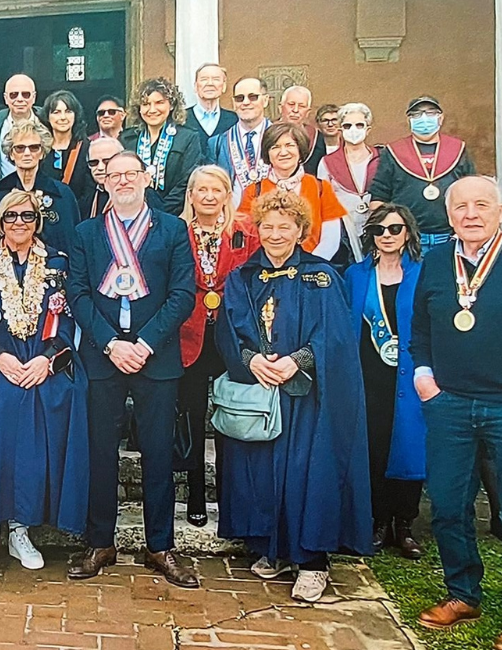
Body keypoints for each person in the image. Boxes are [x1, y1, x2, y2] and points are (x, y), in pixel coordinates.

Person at [216, 188, 372, 603]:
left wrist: (298, 360)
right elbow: (228, 329)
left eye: (285, 227)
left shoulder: (322, 277)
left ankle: (312, 562)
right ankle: (274, 548)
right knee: (263, 469)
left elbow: (337, 335)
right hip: (261, 391)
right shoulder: (243, 277)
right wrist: (250, 360)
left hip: (307, 397)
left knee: (307, 472)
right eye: (267, 226)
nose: (275, 234)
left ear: (302, 230)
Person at [65, 152, 198, 587]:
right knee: (100, 451)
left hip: (153, 356)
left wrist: (142, 343)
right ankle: (100, 541)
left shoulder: (173, 229)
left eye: (131, 173)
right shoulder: (86, 233)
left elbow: (183, 295)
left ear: (145, 178)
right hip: (103, 357)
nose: (122, 180)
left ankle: (160, 546)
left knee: (158, 453)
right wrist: (109, 343)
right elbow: (78, 295)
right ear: (103, 182)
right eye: (114, 174)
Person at [0, 189, 89, 576]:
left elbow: (71, 319)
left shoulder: (58, 264)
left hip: (42, 366)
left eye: (27, 216)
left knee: (40, 422)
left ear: (37, 222)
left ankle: (21, 529)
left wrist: (46, 360)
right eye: (11, 217)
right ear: (0, 222)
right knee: (2, 412)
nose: (19, 223)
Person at [411, 176, 502, 642]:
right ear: (449, 216)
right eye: (461, 206)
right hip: (448, 404)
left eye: (481, 204)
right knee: (448, 505)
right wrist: (424, 376)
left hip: (500, 404)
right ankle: (463, 594)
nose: (471, 213)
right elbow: (420, 328)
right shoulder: (435, 262)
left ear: (499, 211)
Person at [176, 166, 258, 528]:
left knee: (229, 417)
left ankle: (229, 497)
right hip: (189, 335)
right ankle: (195, 493)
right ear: (191, 195)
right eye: (202, 190)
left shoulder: (245, 232)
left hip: (231, 337)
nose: (209, 196)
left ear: (228, 194)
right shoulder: (177, 233)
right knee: (192, 418)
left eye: (217, 190)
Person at [345, 204, 425, 560]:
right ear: (371, 235)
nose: (387, 236)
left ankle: (404, 524)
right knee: (374, 446)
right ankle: (378, 520)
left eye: (394, 229)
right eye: (379, 230)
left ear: (407, 232)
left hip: (411, 374)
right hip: (368, 373)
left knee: (409, 445)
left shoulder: (423, 274)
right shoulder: (355, 275)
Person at [370, 96, 477, 254]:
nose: (424, 118)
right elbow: (379, 197)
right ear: (409, 120)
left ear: (440, 118)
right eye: (417, 114)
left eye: (430, 113)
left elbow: (472, 191)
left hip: (450, 238)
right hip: (408, 239)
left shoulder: (458, 149)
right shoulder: (393, 152)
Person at [239, 123, 347, 261]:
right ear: (267, 153)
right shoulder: (254, 191)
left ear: (300, 149)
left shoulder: (321, 187)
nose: (283, 152)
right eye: (275, 147)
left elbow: (331, 240)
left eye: (289, 145)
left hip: (311, 266)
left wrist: (307, 265)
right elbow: (248, 237)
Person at [0, 121, 80, 253]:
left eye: (34, 148)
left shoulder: (62, 194)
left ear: (42, 153)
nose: (27, 153)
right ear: (11, 154)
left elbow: (72, 242)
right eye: (20, 148)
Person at [120, 77, 205, 215]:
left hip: (174, 215)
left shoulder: (188, 137)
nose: (152, 110)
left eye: (159, 103)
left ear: (171, 105)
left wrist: (160, 213)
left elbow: (187, 182)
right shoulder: (127, 139)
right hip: (133, 214)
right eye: (146, 104)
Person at [317, 103, 380, 263]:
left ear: (368, 129)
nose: (354, 130)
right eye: (348, 125)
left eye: (359, 125)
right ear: (340, 130)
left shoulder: (382, 159)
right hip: (343, 237)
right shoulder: (327, 163)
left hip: (378, 231)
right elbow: (323, 204)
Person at [209, 77, 272, 209]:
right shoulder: (217, 143)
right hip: (233, 222)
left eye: (253, 97)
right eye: (239, 98)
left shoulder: (281, 138)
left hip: (275, 220)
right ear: (233, 103)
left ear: (265, 100)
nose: (246, 102)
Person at [0, 74, 43, 179]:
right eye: (14, 95)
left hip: (41, 189)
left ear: (34, 97)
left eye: (25, 94)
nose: (19, 99)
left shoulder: (47, 119)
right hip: (5, 190)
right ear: (5, 98)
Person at [40, 90, 90, 202]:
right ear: (47, 117)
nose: (63, 117)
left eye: (68, 111)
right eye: (56, 112)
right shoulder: (39, 149)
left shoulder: (87, 148)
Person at [277, 86, 327, 175]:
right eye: (291, 104)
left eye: (301, 106)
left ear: (307, 112)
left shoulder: (317, 138)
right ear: (281, 107)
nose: (295, 110)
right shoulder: (267, 133)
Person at [183, 63, 237, 139]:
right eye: (204, 79)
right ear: (195, 86)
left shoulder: (234, 120)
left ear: (224, 86)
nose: (210, 83)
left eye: (216, 79)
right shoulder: (181, 118)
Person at [82, 137, 126, 218]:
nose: (100, 167)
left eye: (107, 161)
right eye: (93, 162)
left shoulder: (138, 196)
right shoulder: (86, 200)